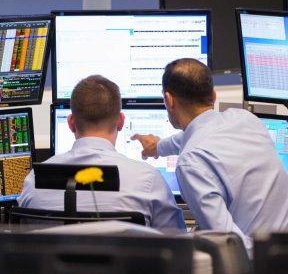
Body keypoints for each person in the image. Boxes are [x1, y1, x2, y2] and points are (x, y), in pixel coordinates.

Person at [133, 59, 288, 249]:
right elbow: (192, 136)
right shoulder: (245, 119)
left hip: (259, 262)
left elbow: (230, 244)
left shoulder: (190, 162)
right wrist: (158, 147)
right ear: (213, 96)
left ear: (169, 100)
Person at [18, 75, 185, 231]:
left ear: (71, 123)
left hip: (50, 255)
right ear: (121, 122)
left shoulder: (34, 179)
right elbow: (176, 240)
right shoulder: (148, 179)